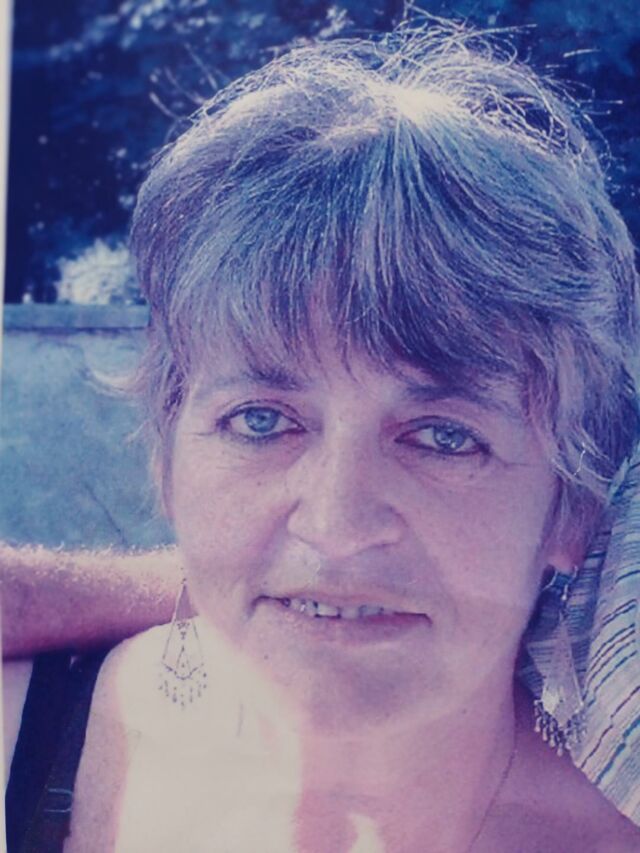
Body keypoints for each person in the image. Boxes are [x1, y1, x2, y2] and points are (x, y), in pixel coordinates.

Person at [4, 20, 640, 852]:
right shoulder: (21, 742)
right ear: (168, 454)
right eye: (261, 420)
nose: (336, 525)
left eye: (444, 437)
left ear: (572, 510)